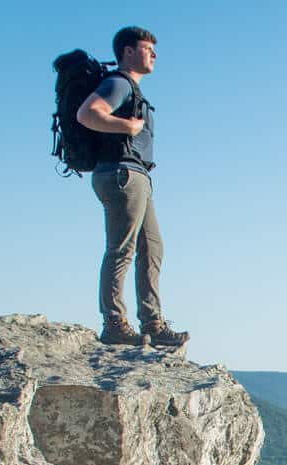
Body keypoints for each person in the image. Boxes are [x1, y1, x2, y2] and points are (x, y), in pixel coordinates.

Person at [77, 26, 187, 348]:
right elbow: (87, 113)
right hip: (122, 173)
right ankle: (114, 322)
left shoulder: (130, 88)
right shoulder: (119, 84)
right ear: (127, 51)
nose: (154, 54)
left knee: (152, 247)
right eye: (146, 48)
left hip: (136, 175)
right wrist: (128, 126)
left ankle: (153, 322)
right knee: (122, 249)